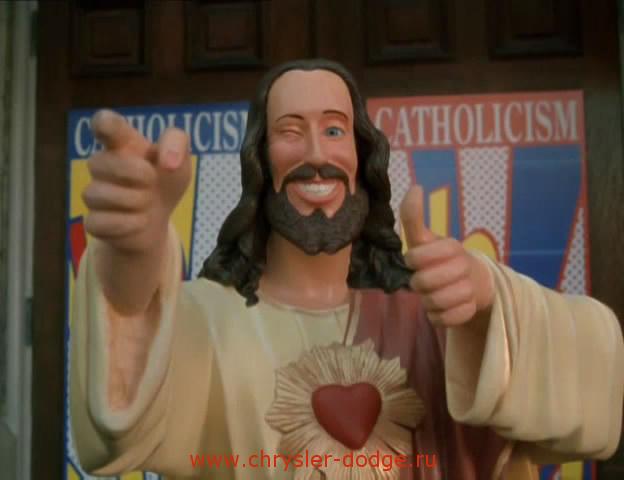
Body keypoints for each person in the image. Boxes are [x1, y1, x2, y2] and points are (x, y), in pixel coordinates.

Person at [70, 59, 623, 480]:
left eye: (334, 130)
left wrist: (488, 304)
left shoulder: (433, 319)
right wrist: (133, 256)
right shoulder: (207, 320)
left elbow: (594, 409)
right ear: (260, 159)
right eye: (290, 131)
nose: (317, 154)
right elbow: (115, 429)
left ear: (362, 156)